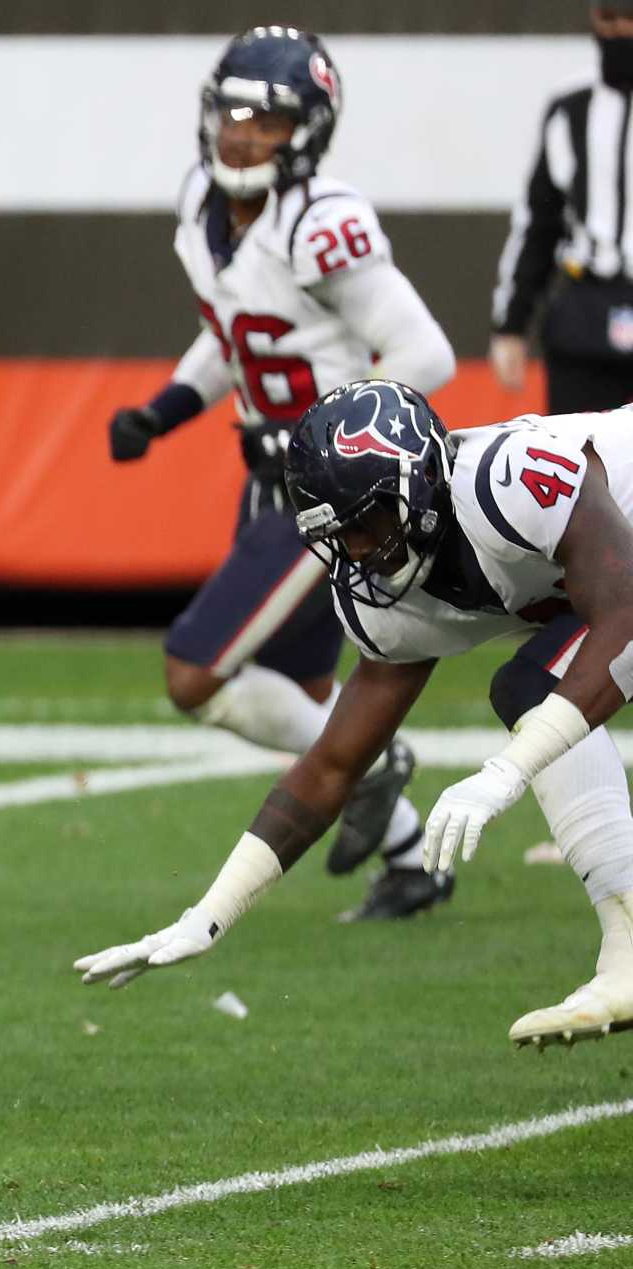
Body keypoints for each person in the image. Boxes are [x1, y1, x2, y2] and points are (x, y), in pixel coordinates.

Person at [76, 379, 633, 1050]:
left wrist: (506, 772)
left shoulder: (503, 483)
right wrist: (207, 915)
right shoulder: (384, 596)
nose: (361, 549)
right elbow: (333, 765)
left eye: (368, 522)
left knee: (531, 685)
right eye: (340, 532)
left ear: (423, 479)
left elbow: (626, 616)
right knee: (530, 684)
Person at [107, 26, 458, 922]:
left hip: (328, 493)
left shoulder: (321, 220)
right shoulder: (205, 208)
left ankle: (379, 766)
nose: (241, 135)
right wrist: (168, 408)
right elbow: (237, 333)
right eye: (231, 113)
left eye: (265, 120)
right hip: (268, 477)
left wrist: (344, 445)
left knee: (196, 672)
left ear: (306, 131)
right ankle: (413, 858)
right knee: (303, 691)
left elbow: (427, 354)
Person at [490, 5, 633, 413]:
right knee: (577, 459)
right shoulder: (572, 107)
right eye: (610, 17)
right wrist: (511, 325)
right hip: (585, 310)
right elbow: (539, 221)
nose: (621, 30)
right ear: (594, 19)